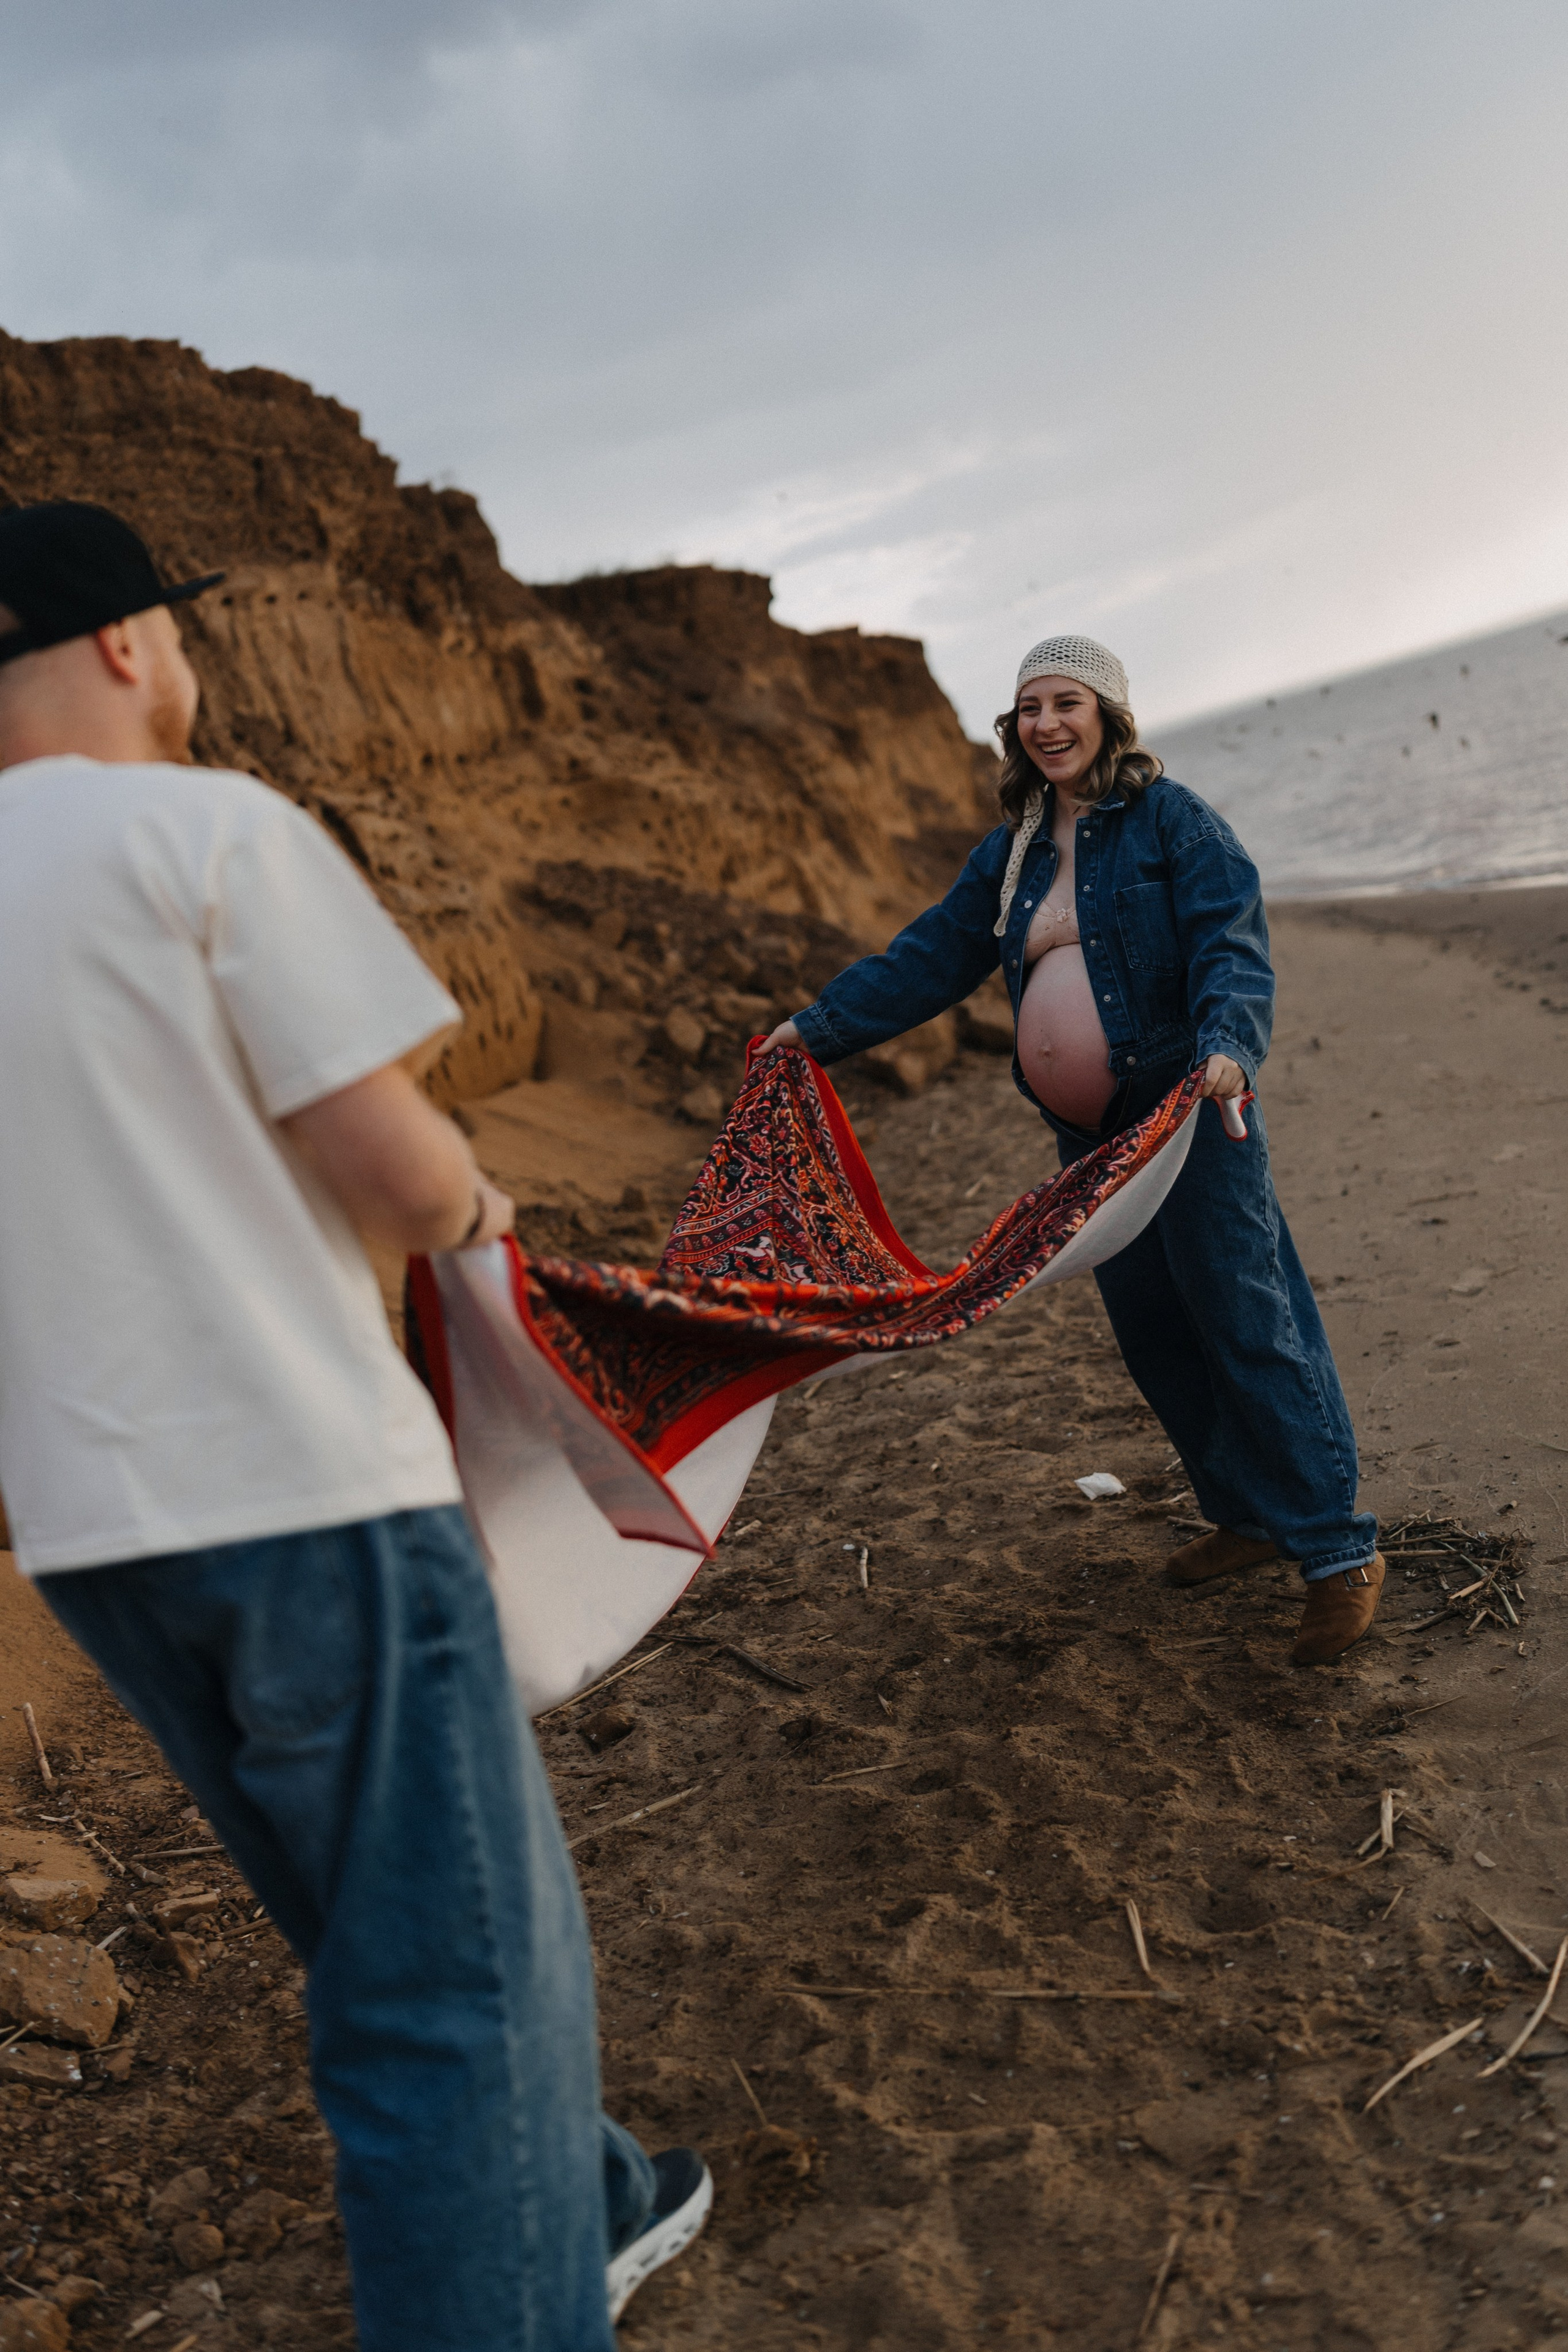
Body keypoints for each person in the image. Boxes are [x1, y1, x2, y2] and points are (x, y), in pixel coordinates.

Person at [0, 500, 710, 2350]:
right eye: (179, 629)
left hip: (95, 1541)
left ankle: (593, 2200)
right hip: (303, 1495)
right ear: (127, 644)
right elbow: (394, 1170)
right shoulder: (205, 830)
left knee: (380, 1930)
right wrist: (479, 1213)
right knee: (455, 1994)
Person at [757, 633, 1384, 1667]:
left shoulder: (1173, 820)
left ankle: (1337, 1550)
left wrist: (1230, 1047)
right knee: (1151, 1325)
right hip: (1088, 1136)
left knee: (1246, 1313)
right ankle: (1246, 1516)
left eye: (1067, 703)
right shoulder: (1013, 852)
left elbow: (1231, 940)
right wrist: (816, 1030)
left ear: (1109, 716)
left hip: (1188, 1108)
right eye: (1030, 708)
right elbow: (930, 957)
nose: (1046, 724)